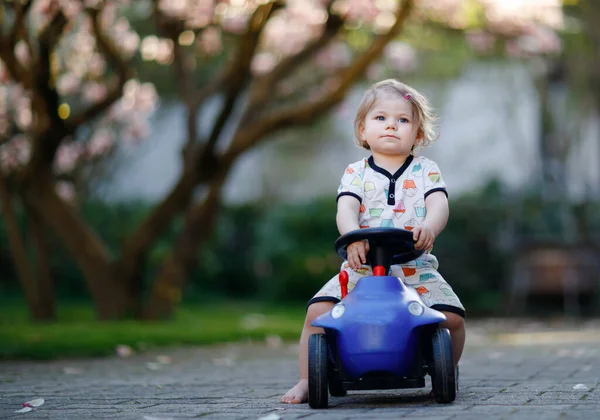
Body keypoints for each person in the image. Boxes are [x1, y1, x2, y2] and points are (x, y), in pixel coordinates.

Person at [281, 79, 466, 404]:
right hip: (361, 271)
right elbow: (346, 207)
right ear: (363, 129)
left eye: (403, 120)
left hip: (415, 268)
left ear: (418, 134)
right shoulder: (356, 173)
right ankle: (306, 380)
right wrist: (351, 237)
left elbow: (440, 204)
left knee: (453, 319)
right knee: (317, 314)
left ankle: (444, 372)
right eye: (381, 118)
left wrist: (429, 226)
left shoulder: (426, 170)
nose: (392, 125)